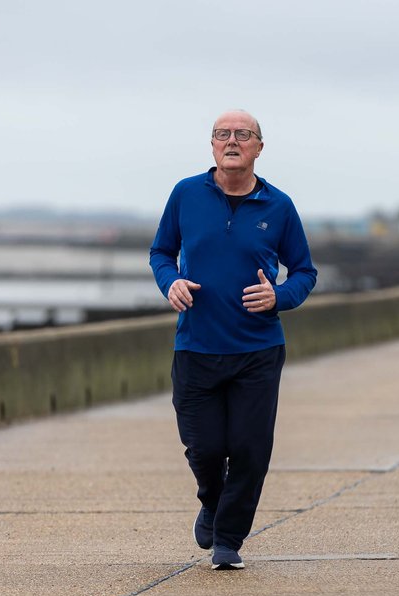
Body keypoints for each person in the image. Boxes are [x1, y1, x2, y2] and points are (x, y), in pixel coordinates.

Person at [149, 110, 317, 570]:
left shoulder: (279, 206)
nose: (231, 141)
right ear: (211, 145)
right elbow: (162, 251)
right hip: (196, 346)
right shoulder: (186, 194)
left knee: (248, 449)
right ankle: (212, 500)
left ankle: (228, 539)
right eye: (222, 134)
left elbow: (304, 270)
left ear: (259, 147)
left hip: (257, 350)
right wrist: (171, 283)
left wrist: (278, 296)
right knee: (203, 448)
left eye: (243, 135)